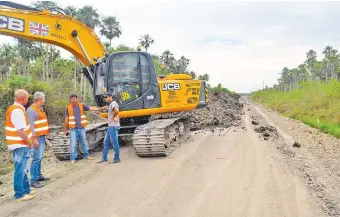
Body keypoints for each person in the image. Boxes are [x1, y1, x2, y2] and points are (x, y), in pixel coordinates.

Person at [5, 89, 36, 201]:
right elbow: (20, 131)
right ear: (23, 99)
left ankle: (26, 190)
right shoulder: (17, 111)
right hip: (20, 144)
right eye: (27, 98)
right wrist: (29, 142)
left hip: (20, 144)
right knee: (20, 169)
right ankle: (19, 194)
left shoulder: (17, 109)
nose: (27, 100)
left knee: (23, 169)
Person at [64, 93, 108, 163]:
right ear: (70, 100)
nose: (73, 100)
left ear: (77, 99)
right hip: (73, 129)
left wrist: (101, 108)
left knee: (83, 142)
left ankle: (86, 156)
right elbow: (66, 120)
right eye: (71, 99)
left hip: (81, 128)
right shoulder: (68, 108)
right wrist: (65, 129)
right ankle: (73, 158)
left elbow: (91, 108)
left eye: (74, 99)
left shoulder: (82, 106)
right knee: (73, 144)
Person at [26, 91, 50, 188]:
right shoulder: (32, 110)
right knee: (36, 158)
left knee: (40, 157)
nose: (44, 100)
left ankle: (38, 175)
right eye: (44, 99)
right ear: (39, 99)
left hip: (42, 136)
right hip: (37, 138)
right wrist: (34, 139)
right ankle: (33, 180)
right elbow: (30, 126)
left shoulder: (40, 108)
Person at [97, 92, 121, 164]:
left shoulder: (113, 103)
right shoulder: (110, 104)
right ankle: (104, 158)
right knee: (106, 142)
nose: (105, 98)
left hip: (113, 126)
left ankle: (117, 158)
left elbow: (116, 110)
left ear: (110, 97)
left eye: (106, 97)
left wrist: (113, 117)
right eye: (105, 97)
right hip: (110, 126)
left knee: (114, 142)